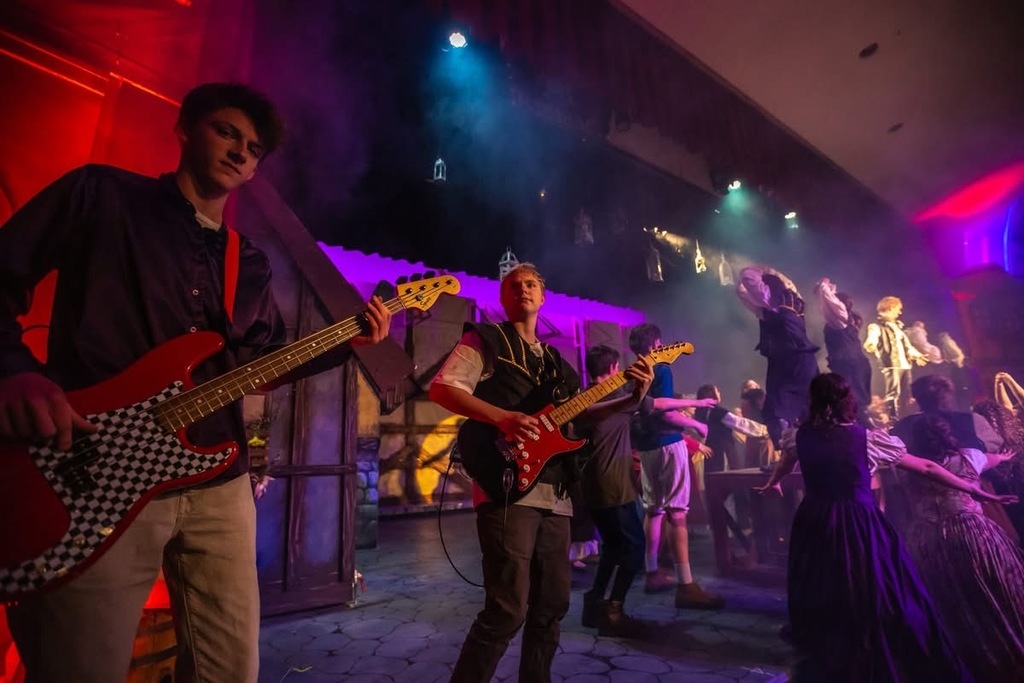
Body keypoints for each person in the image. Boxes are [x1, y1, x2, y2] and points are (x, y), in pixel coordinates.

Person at [0, 83, 393, 683]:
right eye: (226, 132)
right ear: (185, 129)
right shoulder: (102, 194)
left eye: (254, 147)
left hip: (219, 482)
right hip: (96, 463)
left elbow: (265, 362)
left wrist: (350, 341)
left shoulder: (249, 260)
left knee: (230, 671)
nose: (241, 151)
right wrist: (15, 371)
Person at [430, 263, 652, 682]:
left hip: (556, 492)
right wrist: (503, 418)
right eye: (513, 285)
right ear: (503, 297)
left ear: (543, 295)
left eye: (531, 284)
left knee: (551, 606)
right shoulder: (486, 340)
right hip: (507, 488)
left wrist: (629, 399)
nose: (523, 289)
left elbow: (576, 418)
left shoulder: (557, 363)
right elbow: (443, 388)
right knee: (507, 608)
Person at [754, 373, 1000, 681]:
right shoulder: (865, 439)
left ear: (814, 400)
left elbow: (787, 461)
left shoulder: (800, 435)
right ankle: (863, 641)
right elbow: (925, 466)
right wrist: (972, 488)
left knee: (825, 579)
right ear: (847, 401)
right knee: (871, 582)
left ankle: (832, 641)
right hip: (858, 520)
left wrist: (773, 481)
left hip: (816, 519)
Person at [902, 414, 1024, 678]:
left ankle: (960, 660)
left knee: (947, 599)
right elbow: (990, 459)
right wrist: (1003, 458)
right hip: (971, 536)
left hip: (926, 542)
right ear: (948, 436)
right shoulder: (970, 457)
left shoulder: (906, 467)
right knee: (994, 590)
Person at [627, 323, 724, 608]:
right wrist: (696, 424)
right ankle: (686, 584)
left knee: (654, 510)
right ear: (657, 344)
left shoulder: (633, 371)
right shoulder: (661, 368)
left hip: (645, 449)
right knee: (677, 513)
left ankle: (652, 571)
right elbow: (665, 415)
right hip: (667, 446)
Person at [576, 344, 655, 638]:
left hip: (592, 488)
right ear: (613, 369)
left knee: (611, 546)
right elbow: (648, 407)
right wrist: (642, 379)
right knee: (634, 549)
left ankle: (594, 603)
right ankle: (614, 610)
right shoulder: (617, 399)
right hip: (616, 488)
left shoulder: (580, 399)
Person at [735, 266, 820, 447]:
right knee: (802, 404)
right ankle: (799, 450)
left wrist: (763, 269)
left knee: (779, 406)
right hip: (797, 359)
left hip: (791, 360)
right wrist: (772, 273)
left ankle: (788, 449)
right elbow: (743, 291)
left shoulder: (772, 300)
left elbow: (747, 277)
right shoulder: (789, 298)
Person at [815, 279, 872, 417]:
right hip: (857, 363)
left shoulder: (840, 321)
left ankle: (860, 431)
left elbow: (831, 302)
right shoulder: (848, 321)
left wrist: (824, 286)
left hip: (849, 364)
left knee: (852, 402)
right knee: (856, 402)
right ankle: (862, 429)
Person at [863, 295, 926, 418]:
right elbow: (872, 339)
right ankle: (893, 419)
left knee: (907, 394)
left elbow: (907, 346)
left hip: (905, 364)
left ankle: (908, 416)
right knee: (893, 393)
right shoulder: (877, 326)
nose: (900, 312)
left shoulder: (898, 327)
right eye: (898, 309)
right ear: (890, 308)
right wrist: (870, 344)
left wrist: (917, 356)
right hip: (891, 365)